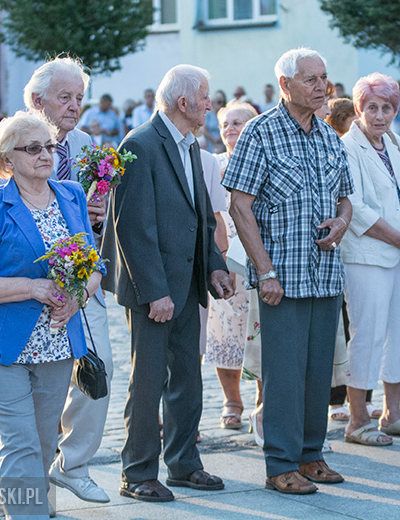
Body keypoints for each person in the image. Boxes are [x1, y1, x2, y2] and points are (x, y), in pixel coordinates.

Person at [0, 111, 103, 519]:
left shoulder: (71, 195)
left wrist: (77, 295)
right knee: (19, 442)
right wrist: (34, 288)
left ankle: (35, 508)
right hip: (2, 345)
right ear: (7, 158)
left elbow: (95, 265)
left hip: (57, 343)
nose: (45, 155)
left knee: (41, 442)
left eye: (49, 146)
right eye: (33, 148)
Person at [0, 57, 113, 505]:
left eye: (80, 97)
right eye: (65, 97)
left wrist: (96, 216)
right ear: (37, 100)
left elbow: (90, 228)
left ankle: (71, 466)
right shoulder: (7, 143)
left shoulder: (85, 144)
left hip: (79, 289)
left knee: (96, 372)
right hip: (21, 295)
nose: (75, 105)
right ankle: (35, 503)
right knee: (20, 421)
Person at [101, 64, 234, 503]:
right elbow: (132, 227)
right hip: (152, 290)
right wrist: (154, 292)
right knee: (148, 381)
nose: (210, 104)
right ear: (183, 102)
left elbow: (201, 216)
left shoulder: (190, 143)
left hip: (188, 283)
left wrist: (215, 265)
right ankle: (137, 472)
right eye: (205, 97)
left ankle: (184, 464)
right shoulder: (139, 144)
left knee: (187, 380)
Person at [224, 47, 354, 495]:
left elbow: (345, 199)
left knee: (319, 372)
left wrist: (342, 222)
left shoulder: (329, 135)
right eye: (310, 79)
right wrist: (265, 272)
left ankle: (311, 455)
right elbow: (239, 206)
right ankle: (280, 463)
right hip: (282, 277)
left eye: (324, 78)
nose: (321, 87)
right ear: (285, 85)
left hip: (325, 274)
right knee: (282, 375)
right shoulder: (260, 132)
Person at [339, 73, 400, 447]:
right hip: (368, 256)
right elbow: (354, 207)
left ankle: (392, 413)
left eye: (387, 108)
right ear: (358, 109)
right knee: (368, 333)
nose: (380, 115)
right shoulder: (347, 147)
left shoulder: (394, 141)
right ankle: (358, 419)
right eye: (372, 108)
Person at [205, 102, 259, 430]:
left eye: (238, 122)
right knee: (224, 332)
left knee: (260, 331)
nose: (230, 129)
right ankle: (232, 401)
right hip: (223, 259)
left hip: (257, 257)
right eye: (225, 124)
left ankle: (263, 401)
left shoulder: (262, 162)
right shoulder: (213, 165)